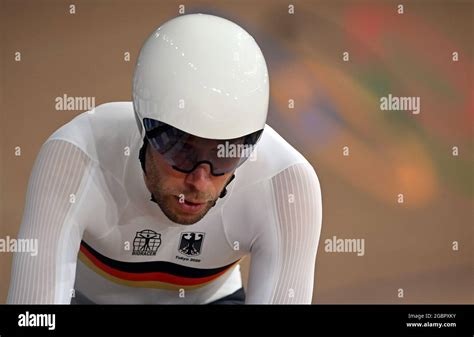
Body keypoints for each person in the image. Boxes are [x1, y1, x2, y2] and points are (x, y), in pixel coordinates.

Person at [7, 13, 322, 304]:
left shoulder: (287, 185)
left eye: (226, 156)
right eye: (181, 151)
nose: (199, 181)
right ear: (144, 128)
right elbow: (34, 317)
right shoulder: (74, 157)